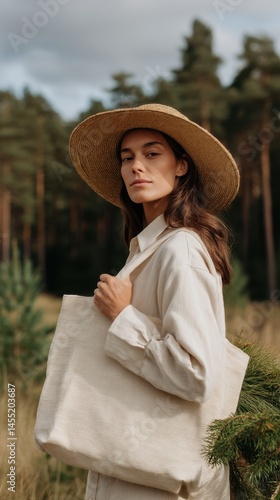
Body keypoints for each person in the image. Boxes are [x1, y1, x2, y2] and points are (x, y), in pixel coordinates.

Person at [69, 103, 241, 500]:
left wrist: (122, 317)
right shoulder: (149, 247)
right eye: (127, 158)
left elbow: (195, 372)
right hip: (140, 468)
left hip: (160, 482)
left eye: (151, 154)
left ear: (181, 166)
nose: (136, 167)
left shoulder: (179, 248)